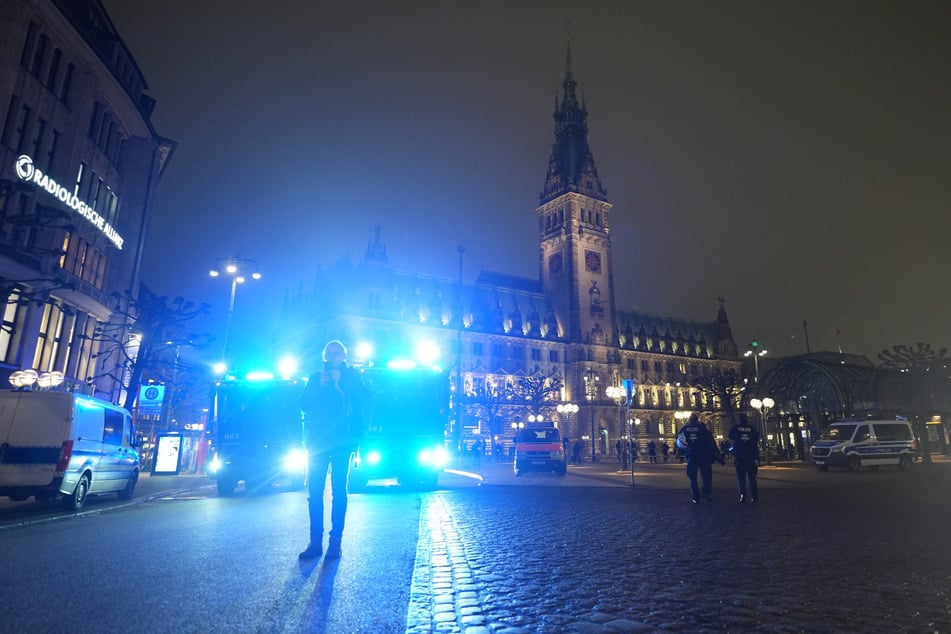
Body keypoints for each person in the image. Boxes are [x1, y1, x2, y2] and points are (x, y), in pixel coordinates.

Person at [298, 340, 366, 560]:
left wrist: (342, 383)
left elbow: (362, 400)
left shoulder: (352, 377)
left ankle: (335, 543)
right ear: (324, 356)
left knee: (339, 492)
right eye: (328, 353)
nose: (332, 357)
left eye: (336, 353)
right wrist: (319, 384)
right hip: (317, 442)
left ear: (344, 356)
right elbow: (303, 404)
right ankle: (315, 542)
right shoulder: (315, 377)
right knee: (314, 494)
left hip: (342, 441)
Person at [676, 413, 719, 503]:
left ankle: (695, 496)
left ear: (689, 420)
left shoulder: (684, 429)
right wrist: (715, 453)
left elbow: (680, 443)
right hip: (704, 455)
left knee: (692, 477)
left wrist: (682, 453)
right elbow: (710, 441)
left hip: (691, 455)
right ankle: (706, 493)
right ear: (697, 420)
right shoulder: (702, 428)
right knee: (706, 476)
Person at [729, 413, 760, 503]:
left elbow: (730, 436)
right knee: (752, 478)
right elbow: (756, 438)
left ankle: (742, 495)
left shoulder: (735, 428)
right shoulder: (752, 429)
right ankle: (754, 496)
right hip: (751, 456)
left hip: (740, 457)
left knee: (741, 478)